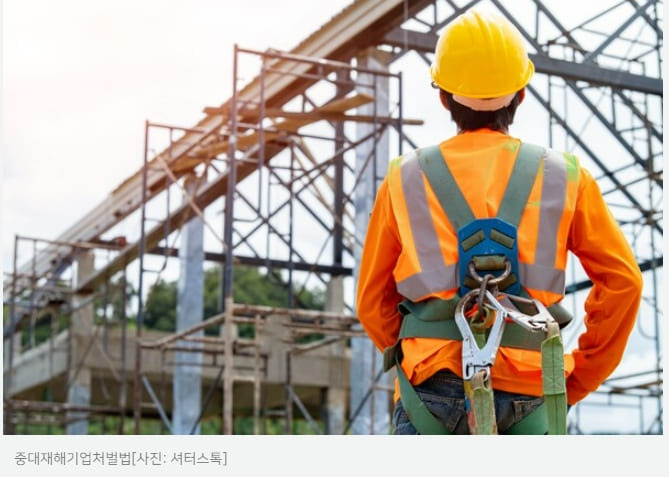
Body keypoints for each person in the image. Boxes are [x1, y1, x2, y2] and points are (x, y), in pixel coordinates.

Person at [355, 7, 643, 434]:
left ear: (443, 96)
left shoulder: (404, 177)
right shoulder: (565, 176)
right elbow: (624, 282)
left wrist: (420, 353)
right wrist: (576, 376)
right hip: (531, 389)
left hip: (427, 393)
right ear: (521, 93)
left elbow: (371, 300)